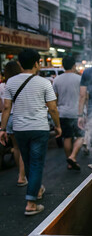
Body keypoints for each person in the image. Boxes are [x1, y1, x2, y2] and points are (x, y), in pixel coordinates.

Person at [0, 49, 62, 216]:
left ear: (20, 63)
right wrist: (58, 126)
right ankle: (31, 203)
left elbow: (6, 107)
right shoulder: (44, 83)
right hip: (39, 128)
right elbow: (53, 108)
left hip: (19, 129)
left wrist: (2, 129)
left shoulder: (10, 82)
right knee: (36, 164)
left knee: (27, 162)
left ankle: (37, 189)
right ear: (37, 63)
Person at [53, 56, 83, 170]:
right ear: (74, 66)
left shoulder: (57, 79)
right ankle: (73, 156)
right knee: (81, 136)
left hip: (63, 113)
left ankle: (69, 162)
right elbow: (84, 96)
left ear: (62, 66)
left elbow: (54, 99)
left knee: (67, 137)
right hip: (77, 113)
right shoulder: (79, 79)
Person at [1, 61, 27, 185]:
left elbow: (4, 107)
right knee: (23, 148)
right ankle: (22, 176)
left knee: (16, 147)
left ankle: (20, 172)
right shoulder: (20, 83)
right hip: (18, 117)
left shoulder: (2, 86)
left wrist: (3, 127)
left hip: (7, 118)